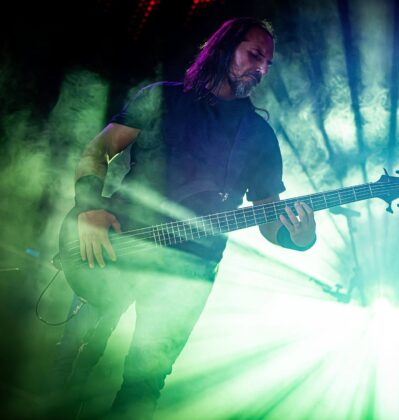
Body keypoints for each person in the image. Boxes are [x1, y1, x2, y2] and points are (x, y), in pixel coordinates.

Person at [56, 17, 317, 419]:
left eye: (267, 63)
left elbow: (269, 217)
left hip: (190, 270)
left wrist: (298, 238)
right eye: (254, 55)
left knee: (144, 383)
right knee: (75, 356)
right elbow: (98, 149)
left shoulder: (258, 136)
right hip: (120, 243)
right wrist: (89, 208)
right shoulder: (162, 97)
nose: (261, 69)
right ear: (225, 47)